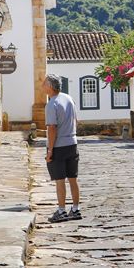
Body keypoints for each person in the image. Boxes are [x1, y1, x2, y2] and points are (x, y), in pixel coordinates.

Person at [42, 74, 81, 223]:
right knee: (73, 178)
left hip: (59, 146)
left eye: (44, 83)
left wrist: (50, 150)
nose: (42, 86)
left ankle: (61, 210)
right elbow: (76, 120)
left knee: (60, 180)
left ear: (50, 87)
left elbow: (52, 128)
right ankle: (76, 209)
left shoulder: (52, 104)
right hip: (72, 143)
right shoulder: (68, 98)